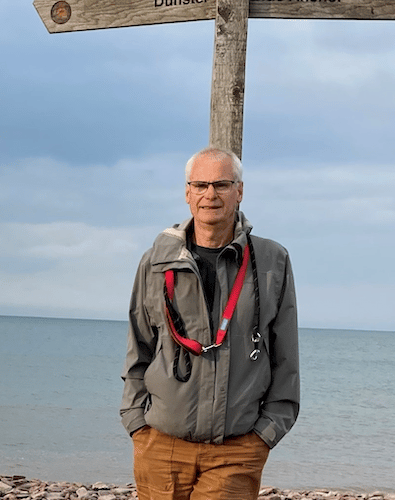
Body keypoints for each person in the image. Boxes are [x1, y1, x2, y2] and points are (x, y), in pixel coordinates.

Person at [120, 147, 300, 500]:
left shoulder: (271, 261)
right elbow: (138, 344)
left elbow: (286, 357)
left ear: (240, 191)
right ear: (187, 193)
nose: (210, 195)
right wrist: (136, 422)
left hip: (237, 450)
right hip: (160, 445)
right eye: (200, 185)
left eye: (221, 184)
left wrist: (265, 434)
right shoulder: (156, 261)